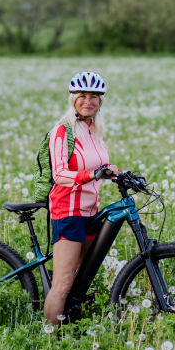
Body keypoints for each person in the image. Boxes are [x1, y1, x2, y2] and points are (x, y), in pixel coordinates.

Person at [43, 71, 119, 325]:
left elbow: (102, 166)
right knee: (63, 283)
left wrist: (119, 174)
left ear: (100, 101)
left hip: (90, 212)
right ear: (73, 99)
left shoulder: (94, 130)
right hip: (68, 211)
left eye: (94, 97)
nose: (88, 101)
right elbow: (60, 173)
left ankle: (71, 323)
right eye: (83, 96)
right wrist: (91, 175)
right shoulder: (63, 131)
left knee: (80, 275)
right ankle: (50, 340)